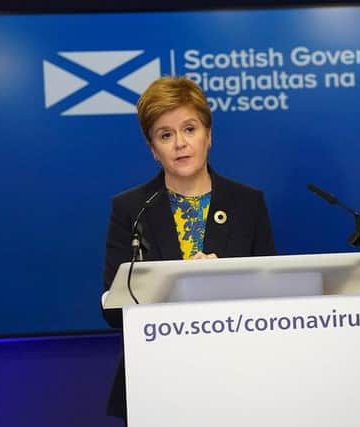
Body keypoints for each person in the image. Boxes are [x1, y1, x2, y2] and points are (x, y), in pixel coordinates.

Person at [101, 76, 276, 421]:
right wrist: (178, 284)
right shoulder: (131, 208)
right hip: (156, 378)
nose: (180, 143)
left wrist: (222, 281)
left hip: (238, 376)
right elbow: (112, 309)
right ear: (153, 148)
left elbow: (271, 295)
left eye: (190, 129)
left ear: (209, 135)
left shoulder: (247, 203)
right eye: (166, 135)